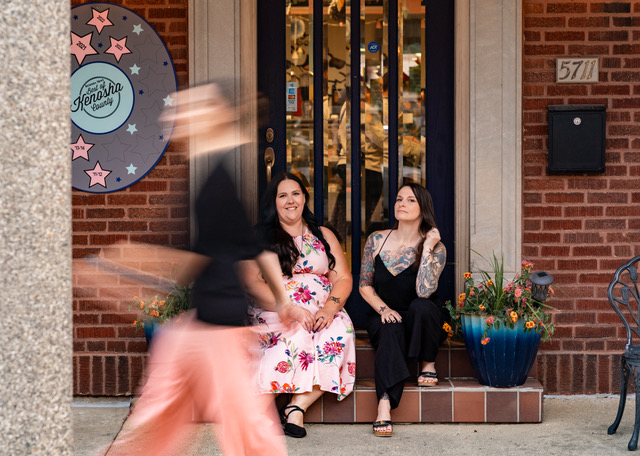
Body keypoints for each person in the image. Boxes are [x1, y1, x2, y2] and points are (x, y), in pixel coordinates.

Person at [104, 84, 293, 456]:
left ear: (214, 117)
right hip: (199, 326)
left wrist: (126, 260)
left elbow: (242, 253)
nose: (174, 114)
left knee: (247, 433)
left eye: (189, 108)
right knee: (158, 422)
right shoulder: (208, 175)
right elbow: (229, 254)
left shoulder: (218, 182)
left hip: (218, 330)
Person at [240, 172, 356, 438]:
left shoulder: (323, 234)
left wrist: (329, 309)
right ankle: (258, 407)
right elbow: (253, 283)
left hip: (322, 309)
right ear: (274, 203)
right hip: (277, 308)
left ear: (305, 197)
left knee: (338, 333)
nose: (290, 201)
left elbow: (344, 278)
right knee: (296, 335)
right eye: (283, 195)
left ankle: (296, 408)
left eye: (295, 193)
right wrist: (287, 307)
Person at [358, 182, 448, 437]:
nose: (402, 204)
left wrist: (428, 247)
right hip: (386, 313)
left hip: (422, 319)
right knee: (390, 326)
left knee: (423, 306)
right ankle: (384, 404)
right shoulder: (376, 239)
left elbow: (424, 291)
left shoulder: (437, 248)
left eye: (410, 200)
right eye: (399, 199)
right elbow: (365, 286)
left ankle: (427, 363)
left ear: (423, 208)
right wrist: (384, 309)